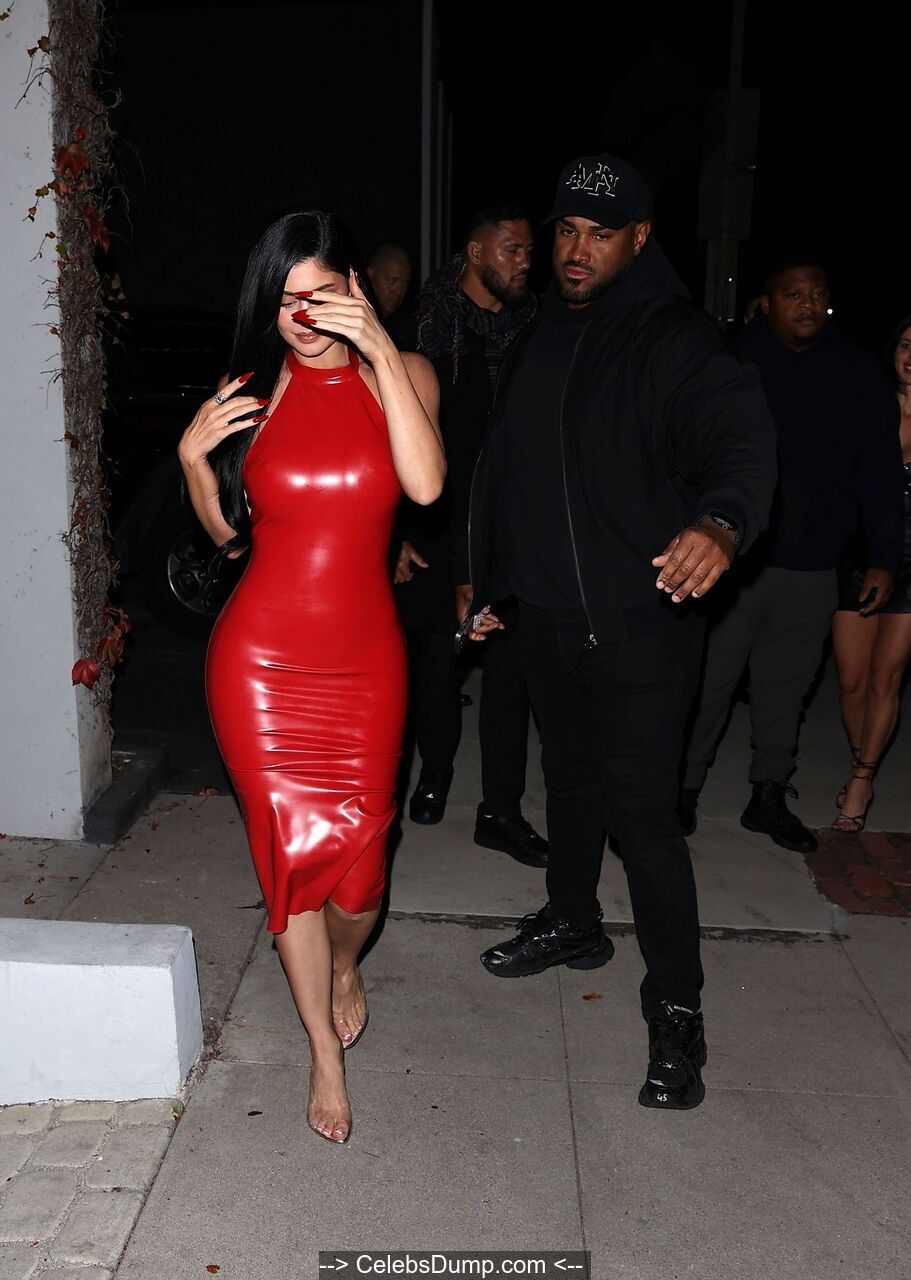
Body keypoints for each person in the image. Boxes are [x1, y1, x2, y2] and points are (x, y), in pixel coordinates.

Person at [466, 152, 776, 1110]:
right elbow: (511, 467)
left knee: (643, 821)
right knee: (567, 782)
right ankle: (572, 920)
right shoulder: (536, 335)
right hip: (550, 616)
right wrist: (492, 575)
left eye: (600, 234)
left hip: (643, 620)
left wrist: (720, 521)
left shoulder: (671, 337)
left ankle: (676, 1009)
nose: (576, 249)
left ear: (638, 239)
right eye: (565, 229)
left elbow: (740, 435)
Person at [177, 211, 444, 1144]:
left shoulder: (403, 376)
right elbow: (232, 540)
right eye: (286, 298)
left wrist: (378, 350)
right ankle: (322, 1054)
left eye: (321, 295)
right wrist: (194, 466)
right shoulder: (253, 393)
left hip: (364, 664)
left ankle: (344, 964)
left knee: (360, 880)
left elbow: (425, 487)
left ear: (354, 290)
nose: (301, 316)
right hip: (258, 664)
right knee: (289, 858)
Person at [678, 257, 904, 851]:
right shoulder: (732, 360)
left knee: (787, 687)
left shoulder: (856, 371)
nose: (807, 304)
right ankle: (683, 789)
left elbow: (880, 473)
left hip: (812, 563)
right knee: (709, 681)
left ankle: (769, 795)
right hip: (733, 562)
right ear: (768, 301)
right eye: (793, 294)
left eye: (817, 293)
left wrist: (884, 555)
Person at [393, 203, 547, 867]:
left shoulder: (535, 328)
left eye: (529, 250)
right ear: (477, 251)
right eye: (513, 249)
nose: (526, 261)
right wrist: (393, 531)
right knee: (437, 667)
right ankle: (433, 775)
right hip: (434, 520)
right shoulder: (423, 325)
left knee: (510, 673)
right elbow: (386, 433)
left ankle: (500, 811)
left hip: (513, 525)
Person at [830, 313, 911, 830]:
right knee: (853, 680)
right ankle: (864, 756)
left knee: (886, 678)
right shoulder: (869, 402)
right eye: (906, 344)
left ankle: (862, 777)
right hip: (859, 556)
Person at [367, 241, 415, 349]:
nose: (399, 291)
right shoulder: (361, 321)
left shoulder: (406, 326)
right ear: (370, 276)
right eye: (392, 281)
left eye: (405, 283)